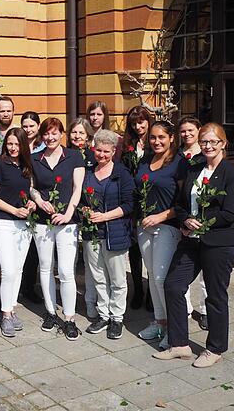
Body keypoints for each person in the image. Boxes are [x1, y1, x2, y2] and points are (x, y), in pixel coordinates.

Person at [154, 123, 234, 368]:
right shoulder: (194, 169)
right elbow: (180, 204)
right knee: (173, 285)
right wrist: (184, 219)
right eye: (204, 142)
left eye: (214, 142)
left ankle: (215, 348)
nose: (208, 146)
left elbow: (230, 213)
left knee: (215, 295)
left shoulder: (233, 174)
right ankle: (180, 344)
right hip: (190, 241)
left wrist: (201, 223)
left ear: (223, 143)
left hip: (218, 243)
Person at [134, 120, 189, 350]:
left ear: (171, 138)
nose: (156, 141)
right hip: (144, 227)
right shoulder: (145, 160)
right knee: (152, 277)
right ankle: (160, 322)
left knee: (161, 278)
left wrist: (161, 216)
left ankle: (175, 328)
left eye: (161, 137)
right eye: (153, 138)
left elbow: (184, 200)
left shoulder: (179, 164)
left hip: (167, 226)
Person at [31, 117, 85, 340]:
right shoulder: (35, 159)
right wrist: (39, 200)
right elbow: (31, 187)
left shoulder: (73, 156)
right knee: (45, 268)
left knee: (65, 271)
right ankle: (51, 312)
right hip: (42, 222)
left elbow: (77, 187)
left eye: (55, 133)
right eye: (47, 133)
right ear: (42, 136)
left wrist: (69, 213)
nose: (50, 137)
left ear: (62, 134)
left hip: (67, 222)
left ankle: (70, 318)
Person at [79, 130, 135, 340]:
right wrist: (86, 212)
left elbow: (129, 204)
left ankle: (117, 318)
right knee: (98, 276)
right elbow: (82, 201)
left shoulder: (121, 174)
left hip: (115, 232)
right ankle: (103, 314)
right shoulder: (88, 173)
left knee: (118, 279)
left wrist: (104, 217)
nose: (101, 155)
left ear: (113, 151)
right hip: (92, 233)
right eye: (98, 150)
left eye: (105, 151)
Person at [0, 128, 36, 338]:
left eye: (17, 144)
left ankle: (11, 307)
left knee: (18, 270)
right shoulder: (0, 163)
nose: (13, 148)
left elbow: (31, 190)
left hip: (24, 225)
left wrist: (32, 204)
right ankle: (5, 314)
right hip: (4, 223)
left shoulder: (27, 165)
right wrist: (13, 210)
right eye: (10, 144)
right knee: (7, 270)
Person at [178, 116, 209, 330]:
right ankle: (185, 308)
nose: (187, 134)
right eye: (183, 131)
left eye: (190, 130)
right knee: (183, 266)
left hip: (204, 216)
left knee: (207, 269)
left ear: (198, 130)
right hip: (181, 215)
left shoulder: (206, 154)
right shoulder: (177, 155)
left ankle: (206, 310)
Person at [123, 106, 152, 311]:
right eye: (134, 123)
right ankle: (138, 290)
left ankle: (151, 292)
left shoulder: (155, 141)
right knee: (135, 249)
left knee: (151, 249)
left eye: (141, 122)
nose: (138, 126)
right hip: (133, 201)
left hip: (152, 200)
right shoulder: (128, 145)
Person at [68, 117, 97, 318]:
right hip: (68, 212)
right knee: (69, 261)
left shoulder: (93, 156)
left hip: (87, 210)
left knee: (90, 261)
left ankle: (90, 301)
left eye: (81, 133)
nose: (77, 136)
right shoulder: (63, 153)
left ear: (88, 136)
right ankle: (68, 298)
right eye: (74, 132)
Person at [18, 111, 44, 305]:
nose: (28, 130)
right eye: (25, 126)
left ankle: (29, 287)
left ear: (38, 126)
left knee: (34, 249)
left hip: (37, 201)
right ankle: (17, 287)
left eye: (31, 126)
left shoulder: (43, 147)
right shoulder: (17, 144)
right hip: (18, 200)